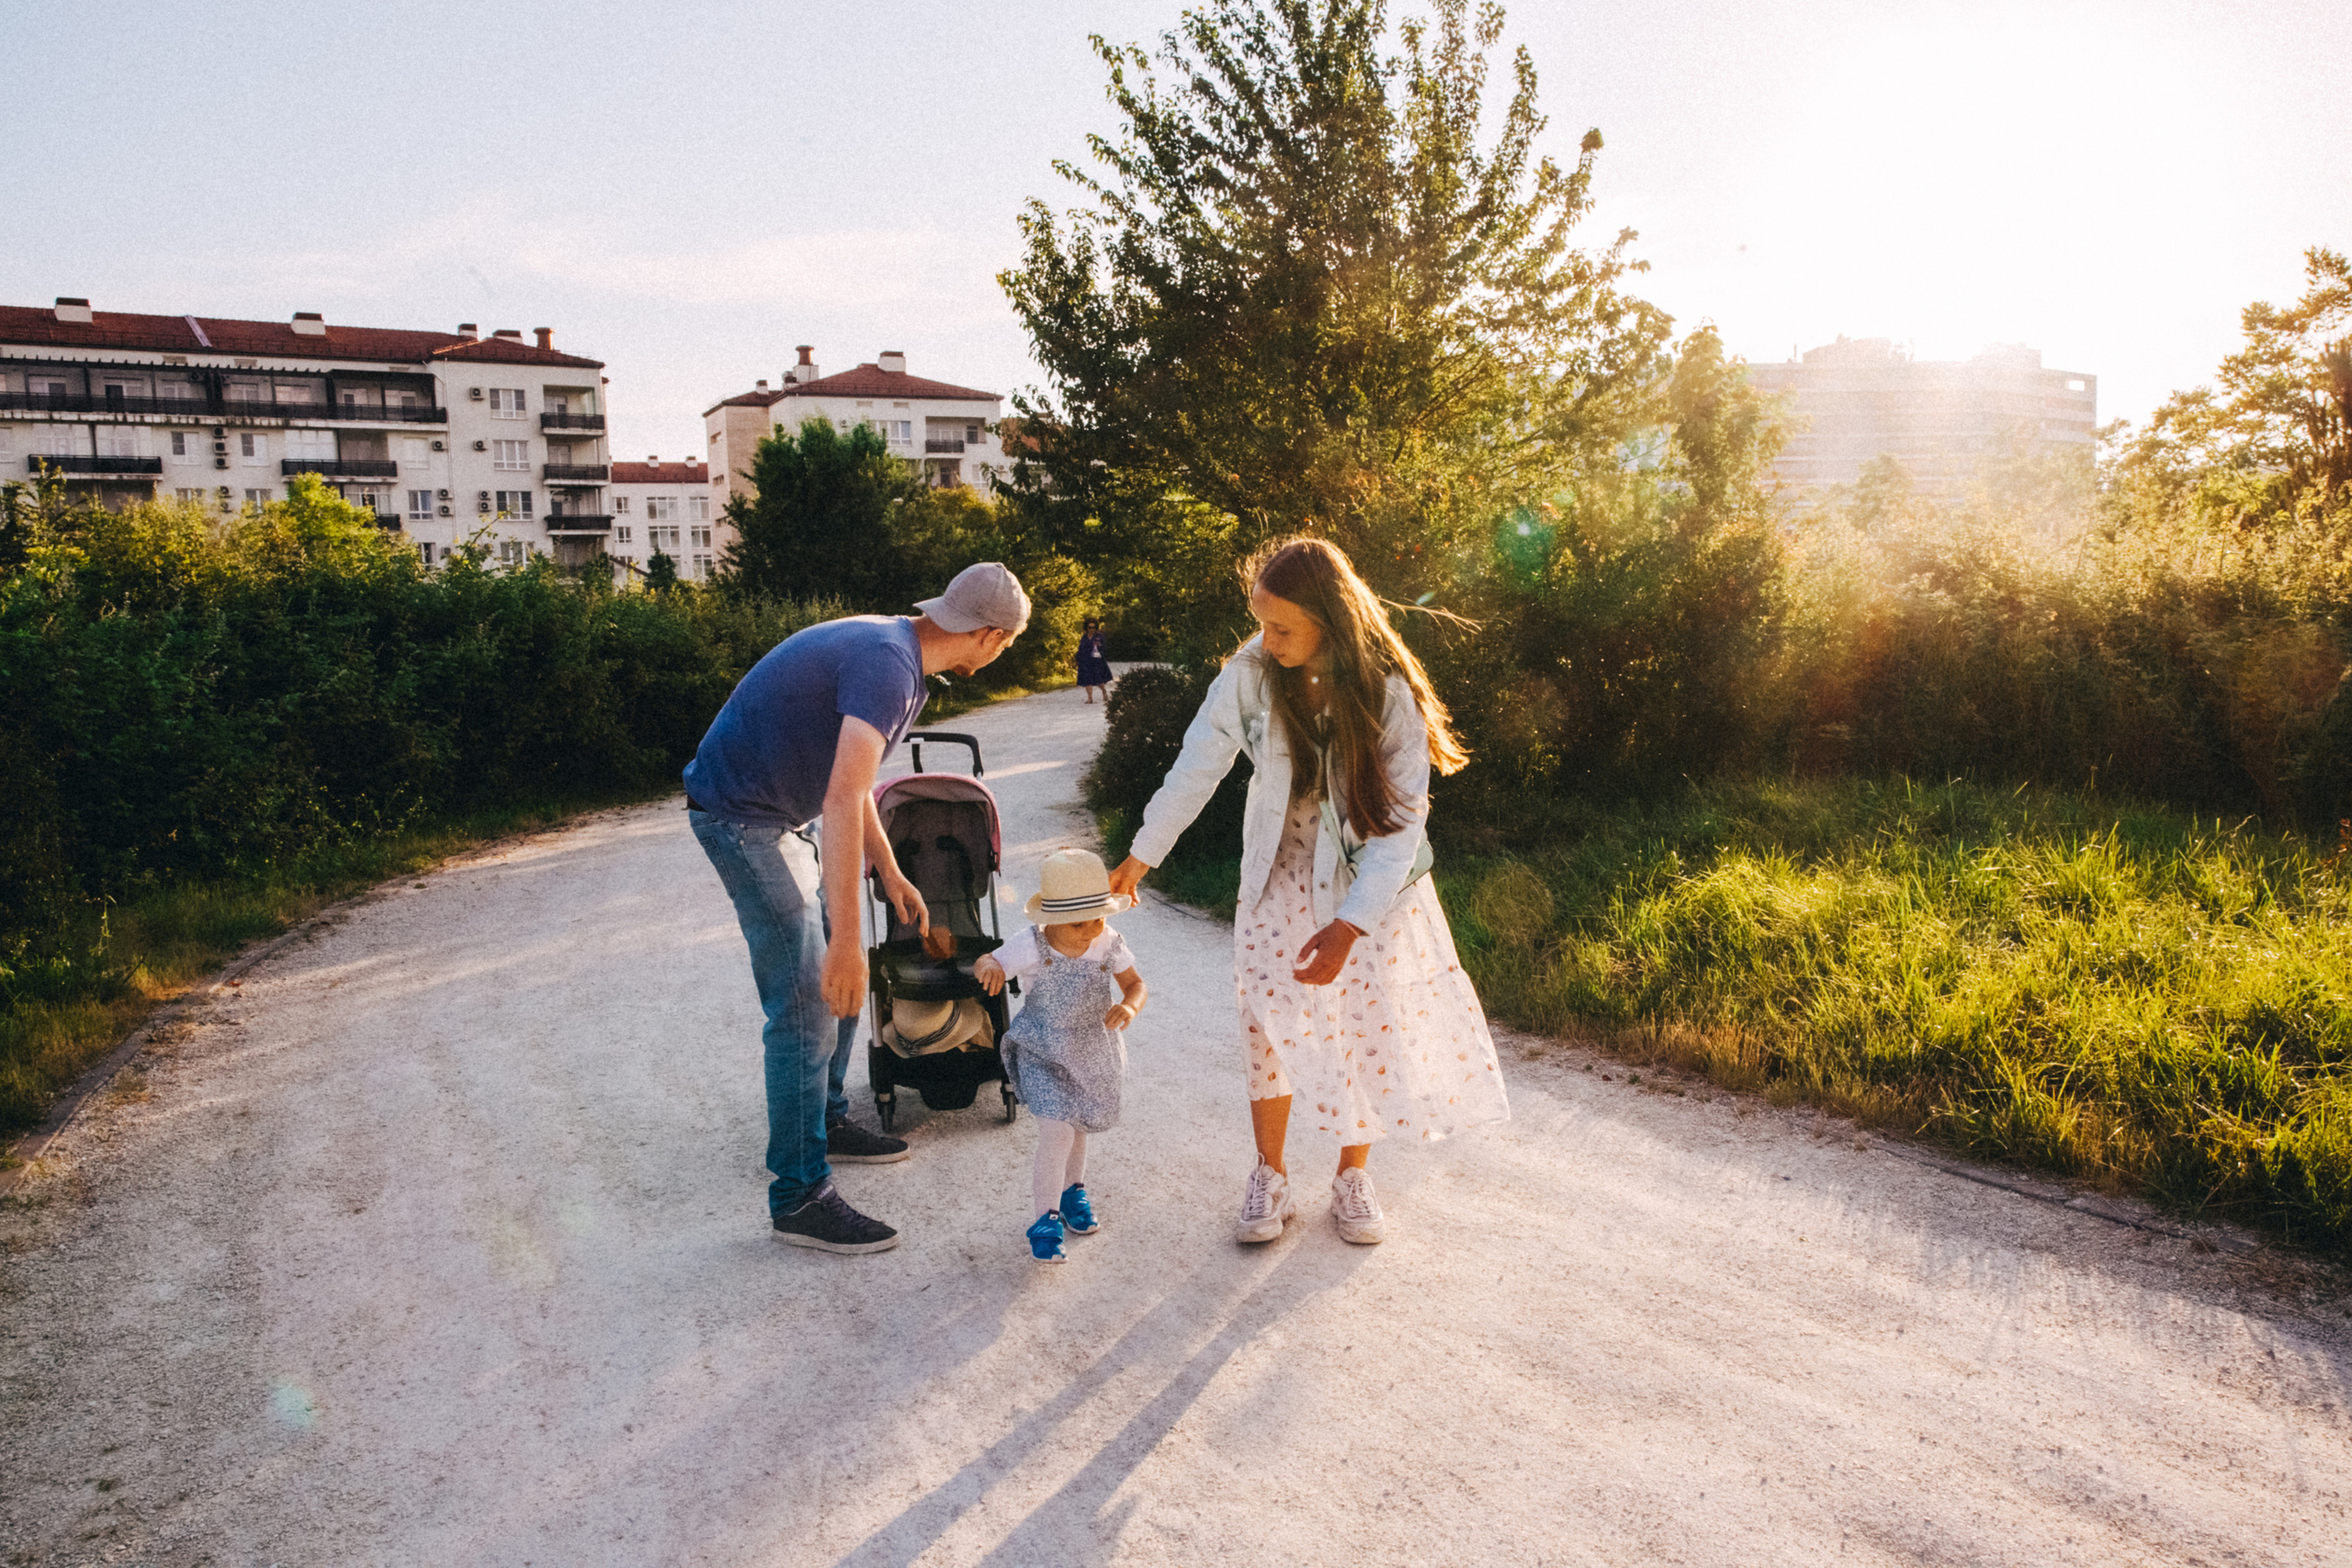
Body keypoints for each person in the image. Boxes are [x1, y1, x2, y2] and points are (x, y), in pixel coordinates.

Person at [1107, 537, 1509, 1246]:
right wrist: (1142, 854)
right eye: (1262, 623)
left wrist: (1351, 924)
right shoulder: (1251, 674)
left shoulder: (1389, 695)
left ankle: (1353, 1177)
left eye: (1282, 627)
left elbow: (1402, 827)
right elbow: (1197, 764)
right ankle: (1270, 1174)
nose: (1267, 640)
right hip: (1274, 879)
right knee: (1265, 1024)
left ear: (1330, 617)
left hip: (1361, 892)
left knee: (1359, 1024)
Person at [686, 562, 1031, 1253]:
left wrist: (890, 865)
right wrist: (846, 935)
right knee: (810, 1001)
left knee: (847, 979)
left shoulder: (902, 657)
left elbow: (853, 786)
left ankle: (829, 1117)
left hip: (784, 815)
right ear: (991, 637)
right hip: (742, 817)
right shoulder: (889, 666)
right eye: (1010, 644)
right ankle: (798, 1195)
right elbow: (844, 797)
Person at [974, 848, 1149, 1264]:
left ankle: (1072, 1193)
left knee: (1079, 1126)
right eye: (1079, 923)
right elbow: (988, 958)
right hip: (1042, 1051)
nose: (1091, 930)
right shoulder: (1032, 944)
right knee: (1057, 1132)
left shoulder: (1108, 942)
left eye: (1099, 918)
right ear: (1051, 919)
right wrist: (991, 967)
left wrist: (1129, 1005)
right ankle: (1045, 1220)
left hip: (1089, 1051)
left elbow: (1136, 984)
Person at [1075, 617, 1114, 705]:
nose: (1092, 629)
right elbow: (1081, 648)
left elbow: (1103, 647)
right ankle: (1090, 698)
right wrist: (1078, 658)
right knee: (1087, 679)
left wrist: (1099, 646)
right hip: (1086, 661)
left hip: (1097, 661)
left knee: (1098, 680)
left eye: (1093, 627)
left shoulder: (1099, 636)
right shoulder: (1084, 637)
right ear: (1086, 628)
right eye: (1090, 627)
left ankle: (1103, 691)